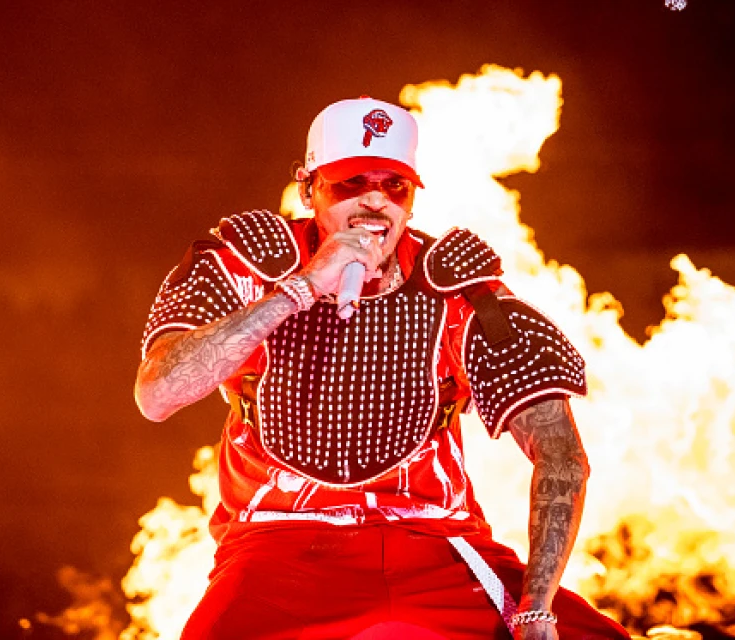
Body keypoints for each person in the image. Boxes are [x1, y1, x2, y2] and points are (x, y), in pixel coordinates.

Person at [134, 97, 630, 640]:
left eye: (394, 186)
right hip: (280, 547)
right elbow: (157, 395)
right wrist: (302, 288)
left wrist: (536, 607)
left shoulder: (456, 288)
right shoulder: (246, 264)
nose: (375, 201)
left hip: (439, 547)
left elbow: (560, 452)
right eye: (350, 183)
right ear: (308, 189)